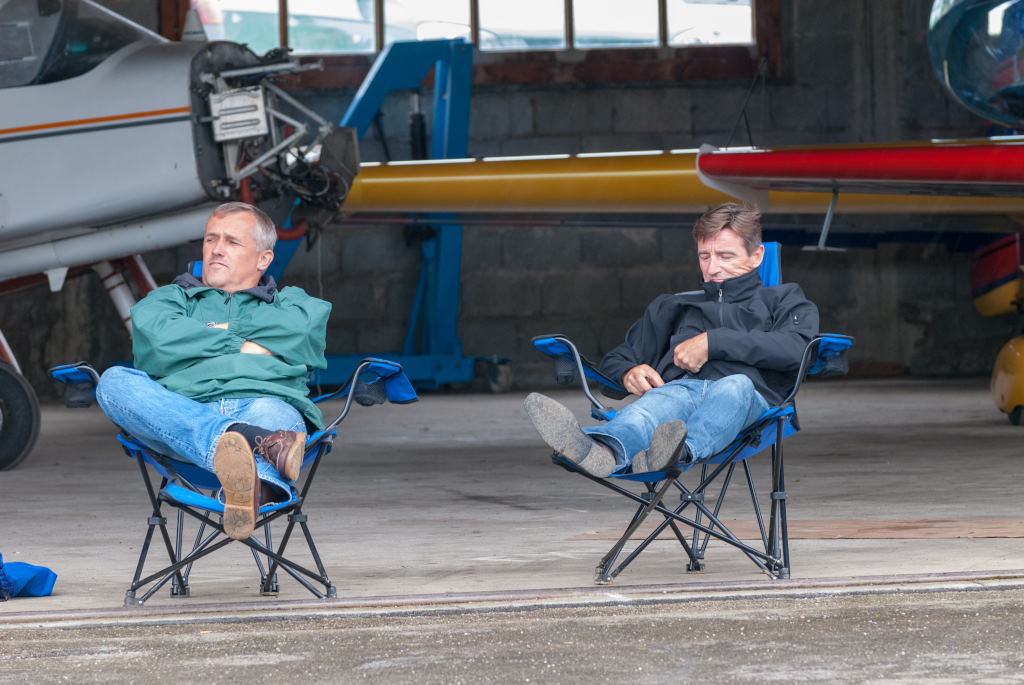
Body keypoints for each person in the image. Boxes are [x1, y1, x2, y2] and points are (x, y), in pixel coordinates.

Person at [524, 203, 819, 477]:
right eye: (704, 256)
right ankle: (602, 450)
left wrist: (713, 342)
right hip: (680, 393)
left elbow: (798, 349)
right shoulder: (673, 307)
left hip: (749, 400)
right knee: (649, 408)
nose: (712, 268)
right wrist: (627, 372)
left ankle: (678, 452)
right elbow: (616, 359)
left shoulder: (783, 300)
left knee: (734, 386)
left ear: (757, 256)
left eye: (726, 256)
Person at [96, 202, 331, 540]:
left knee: (273, 414)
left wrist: (202, 337)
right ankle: (250, 446)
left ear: (263, 259)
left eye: (232, 242)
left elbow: (304, 330)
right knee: (113, 382)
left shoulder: (291, 304)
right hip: (183, 415)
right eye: (211, 239)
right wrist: (247, 342)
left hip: (265, 404)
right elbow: (157, 344)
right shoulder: (169, 299)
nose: (216, 249)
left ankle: (245, 491)